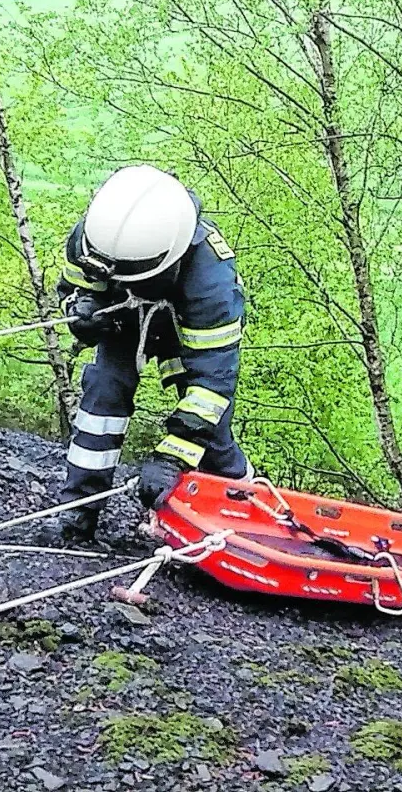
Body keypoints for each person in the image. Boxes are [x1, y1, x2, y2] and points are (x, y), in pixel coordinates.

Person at [52, 165, 252, 542]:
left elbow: (213, 383)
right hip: (123, 317)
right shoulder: (97, 237)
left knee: (213, 435)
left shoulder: (213, 282)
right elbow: (76, 286)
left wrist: (171, 457)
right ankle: (77, 514)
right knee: (103, 393)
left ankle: (245, 506)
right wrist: (81, 313)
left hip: (185, 331)